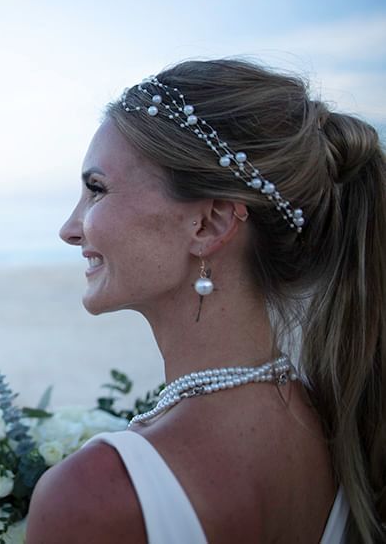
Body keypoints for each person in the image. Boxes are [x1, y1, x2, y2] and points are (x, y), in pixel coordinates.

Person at [27, 59, 384, 543]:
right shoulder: (335, 427)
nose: (71, 228)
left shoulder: (95, 497)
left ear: (209, 224)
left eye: (97, 190)